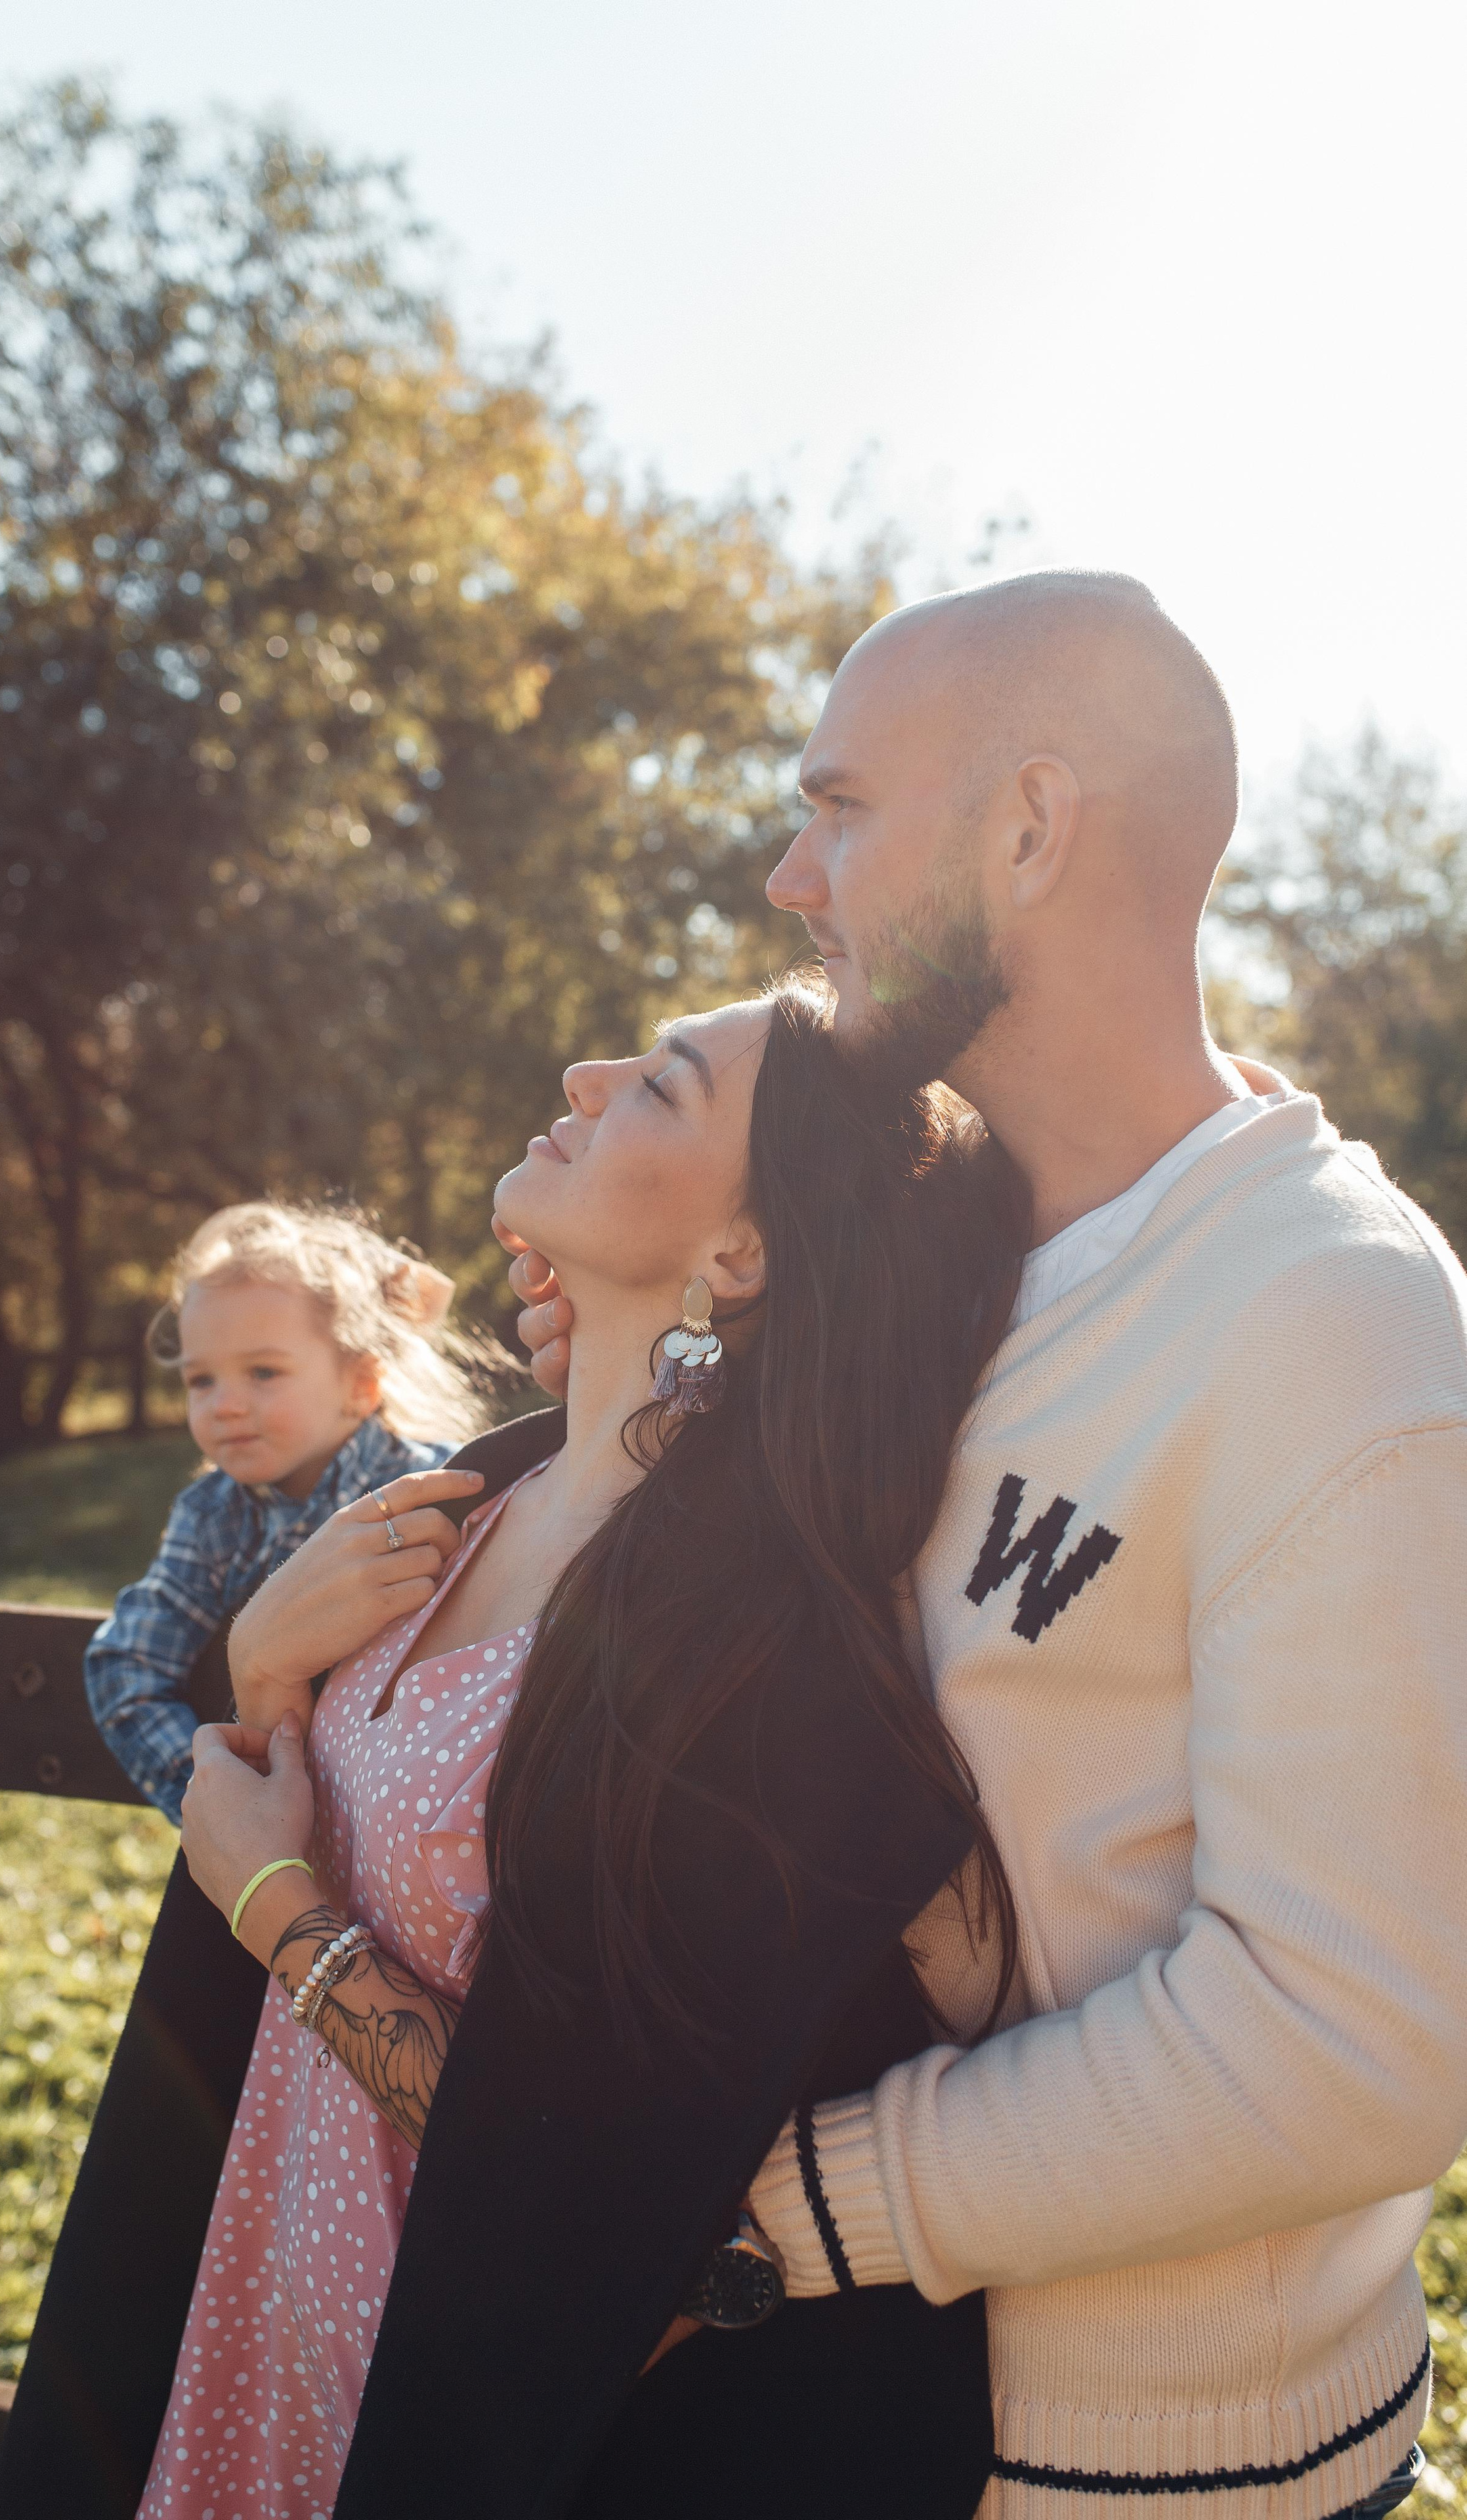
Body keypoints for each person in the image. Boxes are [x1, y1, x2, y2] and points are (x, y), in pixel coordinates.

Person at [506, 570, 1467, 2520]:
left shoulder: (1330, 1318)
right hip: (821, 2430)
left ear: (1027, 827)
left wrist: (768, 2212)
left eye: (841, 808)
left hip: (1143, 2474)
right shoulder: (936, 1257)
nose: (788, 876)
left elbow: (1356, 2039)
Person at [0, 975, 1030, 2520]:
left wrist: (277, 1909)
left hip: (440, 2409)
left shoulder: (742, 1645)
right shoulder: (472, 1489)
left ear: (738, 1253)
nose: (587, 1072)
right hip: (254, 2316)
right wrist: (262, 1661)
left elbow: (593, 2185)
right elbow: (283, 1794)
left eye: (661, 1085)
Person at [84, 1199, 484, 1820]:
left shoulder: (438, 1492)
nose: (225, 1405)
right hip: (282, 1839)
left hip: (420, 1821)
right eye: (201, 1380)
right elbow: (127, 1666)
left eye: (264, 1372)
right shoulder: (216, 1518)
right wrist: (223, 1802)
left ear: (361, 1385)